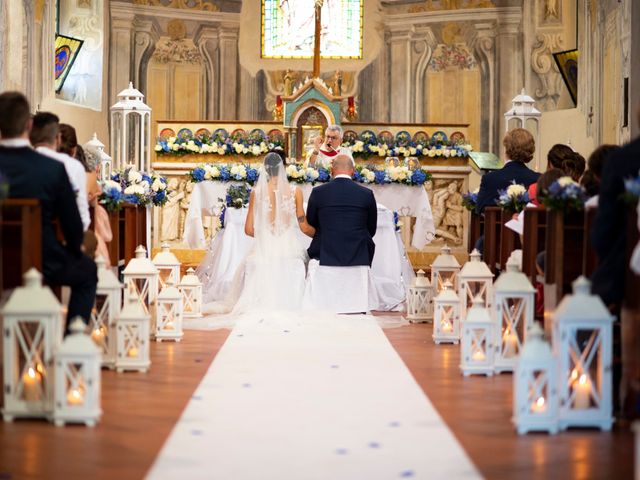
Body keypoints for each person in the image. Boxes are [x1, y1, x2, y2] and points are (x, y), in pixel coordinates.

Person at [0, 91, 97, 329]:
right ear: (28, 124)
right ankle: (72, 344)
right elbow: (71, 223)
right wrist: (76, 247)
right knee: (87, 272)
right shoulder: (51, 169)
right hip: (41, 260)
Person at [203, 152, 314, 314]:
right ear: (284, 167)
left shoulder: (257, 192)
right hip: (289, 248)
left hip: (265, 247)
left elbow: (248, 230)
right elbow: (303, 225)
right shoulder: (295, 191)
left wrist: (266, 235)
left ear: (266, 169)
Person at [474, 128, 540, 252]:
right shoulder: (538, 179)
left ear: (506, 149)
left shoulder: (490, 178)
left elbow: (479, 209)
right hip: (530, 241)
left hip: (496, 241)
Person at [306, 154, 377, 267]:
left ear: (331, 170)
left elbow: (311, 222)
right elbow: (371, 229)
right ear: (353, 171)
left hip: (324, 254)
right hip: (358, 254)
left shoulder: (318, 192)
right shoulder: (366, 194)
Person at [29, 112, 90, 231]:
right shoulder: (70, 166)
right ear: (57, 139)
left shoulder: (21, 162)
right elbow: (81, 218)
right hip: (53, 238)